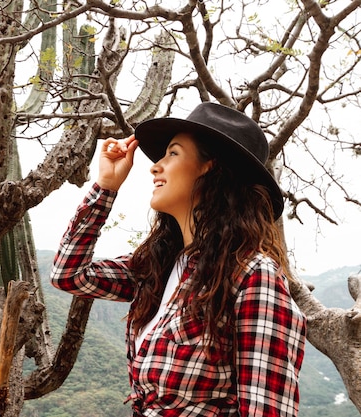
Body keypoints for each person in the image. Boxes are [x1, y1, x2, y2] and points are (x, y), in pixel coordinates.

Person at [50, 102, 306, 416]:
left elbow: (268, 410)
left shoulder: (253, 276)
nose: (155, 166)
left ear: (210, 166)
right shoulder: (159, 266)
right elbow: (69, 274)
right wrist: (105, 187)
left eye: (172, 153)